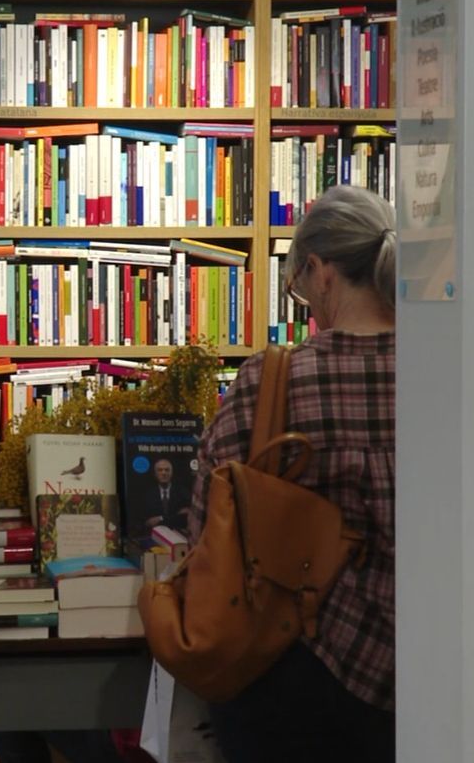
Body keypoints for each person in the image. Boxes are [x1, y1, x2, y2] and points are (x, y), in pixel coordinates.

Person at [188, 185, 396, 762]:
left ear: (321, 271)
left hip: (298, 667)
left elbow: (209, 525)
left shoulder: (274, 381)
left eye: (299, 286)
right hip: (436, 670)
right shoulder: (446, 373)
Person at [142, 458, 190, 535]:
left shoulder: (182, 492)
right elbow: (147, 522)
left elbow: (184, 517)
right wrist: (174, 516)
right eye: (160, 470)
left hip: (178, 534)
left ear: (171, 473)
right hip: (155, 535)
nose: (164, 473)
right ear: (155, 474)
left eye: (167, 470)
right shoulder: (148, 495)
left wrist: (160, 518)